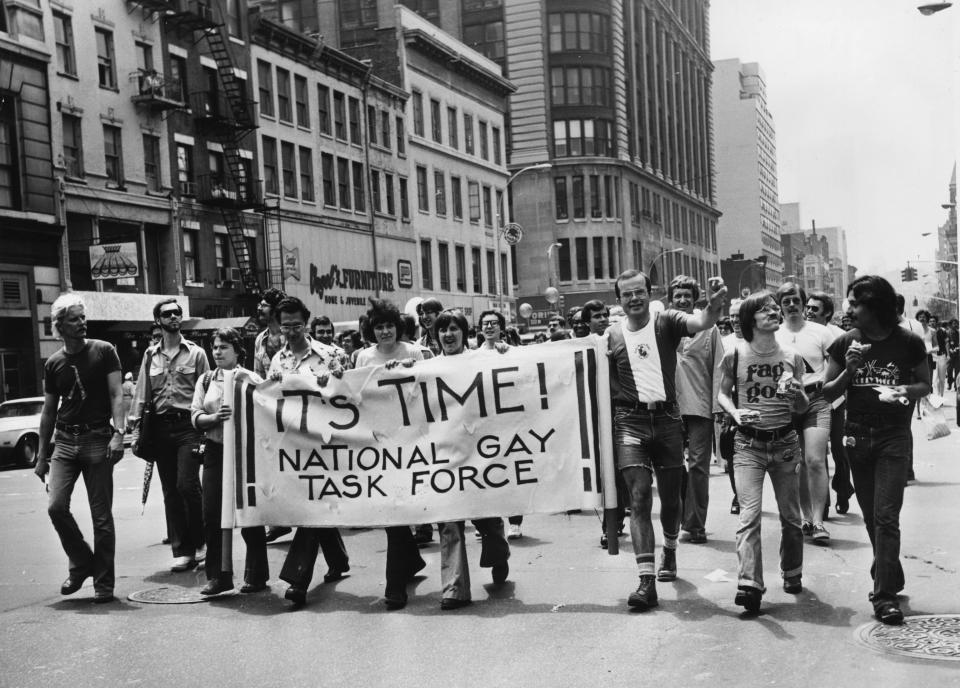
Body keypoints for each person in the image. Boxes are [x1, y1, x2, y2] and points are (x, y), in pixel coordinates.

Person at [605, 268, 726, 610]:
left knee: (671, 501)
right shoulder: (611, 337)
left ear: (649, 292)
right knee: (640, 497)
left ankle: (670, 550)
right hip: (630, 422)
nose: (634, 299)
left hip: (669, 420)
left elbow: (702, 321)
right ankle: (646, 581)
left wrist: (714, 307)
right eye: (626, 294)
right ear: (620, 299)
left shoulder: (667, 321)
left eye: (639, 292)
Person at [823, 276, 930, 625]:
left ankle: (884, 596)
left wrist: (901, 390)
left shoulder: (909, 343)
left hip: (893, 437)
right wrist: (850, 371)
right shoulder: (845, 343)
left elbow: (925, 384)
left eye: (855, 303)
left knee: (886, 516)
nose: (848, 309)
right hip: (857, 436)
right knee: (871, 516)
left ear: (875, 306)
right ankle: (891, 571)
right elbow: (827, 392)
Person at [717, 291, 809, 614]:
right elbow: (722, 393)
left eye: (774, 308)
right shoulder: (736, 355)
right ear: (749, 319)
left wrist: (797, 394)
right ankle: (749, 584)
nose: (773, 312)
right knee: (749, 516)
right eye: (765, 309)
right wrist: (735, 413)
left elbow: (802, 407)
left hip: (785, 444)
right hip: (747, 445)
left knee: (791, 518)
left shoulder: (791, 357)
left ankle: (792, 571)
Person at [34, 294, 125, 603]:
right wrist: (42, 455)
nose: (82, 322)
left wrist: (119, 434)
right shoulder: (54, 363)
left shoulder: (104, 351)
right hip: (65, 441)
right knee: (55, 507)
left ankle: (103, 583)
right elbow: (48, 411)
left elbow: (116, 395)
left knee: (102, 517)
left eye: (83, 317)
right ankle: (83, 563)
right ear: (59, 325)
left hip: (98, 438)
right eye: (74, 319)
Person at [419, 309, 511, 610]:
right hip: (444, 452)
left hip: (477, 450)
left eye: (454, 329)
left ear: (464, 332)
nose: (447, 334)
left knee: (487, 515)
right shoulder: (428, 367)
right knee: (449, 521)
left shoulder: (481, 360)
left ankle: (498, 554)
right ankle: (454, 588)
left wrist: (505, 353)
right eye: (442, 329)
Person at [268, 297, 351, 607]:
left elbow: (350, 395)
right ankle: (339, 559)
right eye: (285, 325)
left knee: (312, 507)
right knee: (314, 504)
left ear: (307, 322)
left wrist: (335, 381)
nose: (291, 331)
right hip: (295, 444)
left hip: (329, 442)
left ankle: (297, 579)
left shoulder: (333, 355)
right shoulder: (277, 360)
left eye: (297, 325)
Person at [354, 299, 427, 609]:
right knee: (390, 509)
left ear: (399, 328)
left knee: (398, 509)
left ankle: (396, 583)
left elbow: (429, 389)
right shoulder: (363, 357)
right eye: (379, 326)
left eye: (389, 325)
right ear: (372, 330)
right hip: (377, 440)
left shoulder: (413, 352)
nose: (385, 331)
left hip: (409, 438)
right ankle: (405, 569)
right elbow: (356, 394)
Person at [132, 298, 210, 572]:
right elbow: (142, 392)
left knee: (187, 484)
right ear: (158, 320)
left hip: (188, 426)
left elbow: (208, 390)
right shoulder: (150, 355)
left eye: (178, 313)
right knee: (170, 491)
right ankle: (182, 550)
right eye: (168, 314)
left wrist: (206, 427)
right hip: (160, 428)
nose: (175, 316)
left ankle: (203, 543)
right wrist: (135, 424)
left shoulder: (197, 353)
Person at [191, 328, 269, 597]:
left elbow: (266, 412)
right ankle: (219, 575)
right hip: (215, 450)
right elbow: (196, 414)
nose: (217, 352)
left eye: (224, 347)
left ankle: (257, 574)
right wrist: (214, 419)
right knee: (212, 513)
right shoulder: (206, 380)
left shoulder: (251, 379)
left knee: (249, 513)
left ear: (237, 350)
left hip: (245, 452)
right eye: (215, 347)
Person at [774, 282, 835, 543]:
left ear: (802, 303)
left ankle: (819, 522)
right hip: (786, 403)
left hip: (816, 400)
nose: (791, 305)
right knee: (796, 464)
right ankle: (806, 518)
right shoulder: (774, 334)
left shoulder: (821, 332)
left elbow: (835, 365)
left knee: (815, 460)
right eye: (785, 301)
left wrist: (832, 394)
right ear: (780, 306)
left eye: (795, 301)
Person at [669, 275, 724, 544]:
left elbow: (719, 369)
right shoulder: (661, 325)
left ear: (695, 299)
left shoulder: (709, 328)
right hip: (669, 407)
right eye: (678, 296)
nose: (682, 300)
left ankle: (695, 525)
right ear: (670, 299)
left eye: (687, 296)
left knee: (699, 467)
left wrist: (718, 406)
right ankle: (680, 517)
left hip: (701, 405)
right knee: (673, 467)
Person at [805, 291, 855, 515]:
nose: (809, 311)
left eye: (815, 309)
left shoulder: (839, 336)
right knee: (817, 452)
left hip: (835, 399)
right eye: (808, 307)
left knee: (838, 447)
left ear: (827, 313)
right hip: (812, 401)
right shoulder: (803, 332)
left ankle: (843, 489)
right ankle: (821, 502)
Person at [929, 315, 948, 397]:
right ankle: (937, 397)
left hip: (942, 356)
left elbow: (947, 343)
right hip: (932, 357)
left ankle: (941, 396)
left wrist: (948, 355)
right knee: (935, 379)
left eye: (933, 321)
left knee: (942, 379)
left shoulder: (942, 331)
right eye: (930, 321)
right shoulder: (928, 332)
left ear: (936, 322)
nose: (932, 323)